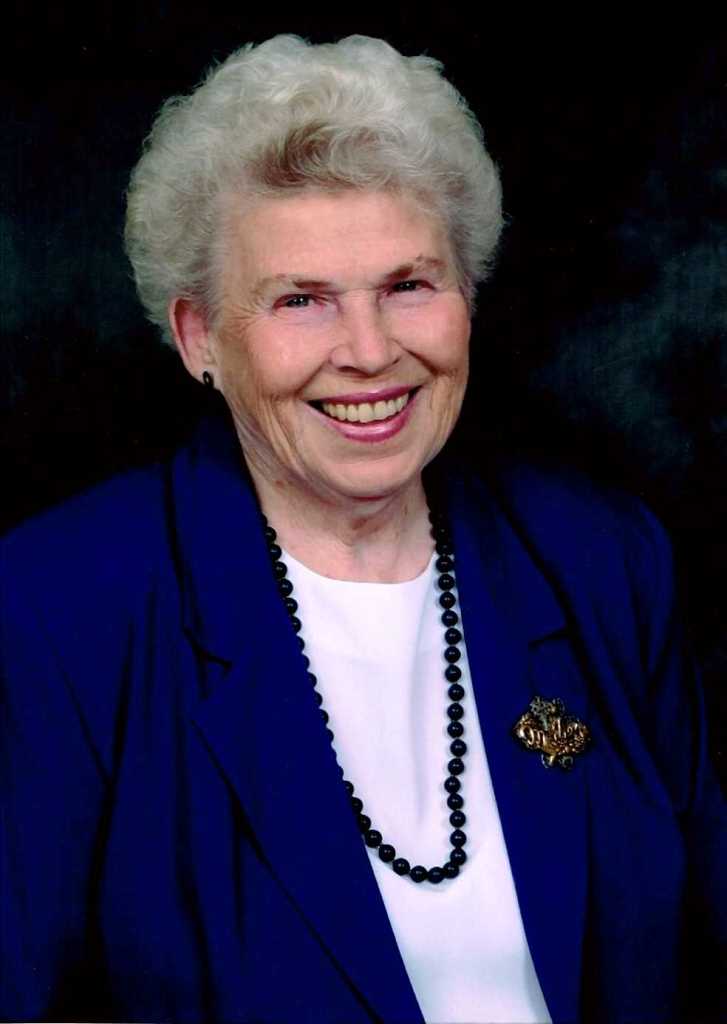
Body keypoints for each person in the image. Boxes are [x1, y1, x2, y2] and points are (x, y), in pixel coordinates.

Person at [1, 33, 725, 1024]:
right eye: (301, 300)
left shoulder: (601, 558)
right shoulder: (59, 609)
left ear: (466, 295)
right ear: (199, 336)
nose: (370, 352)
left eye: (407, 286)